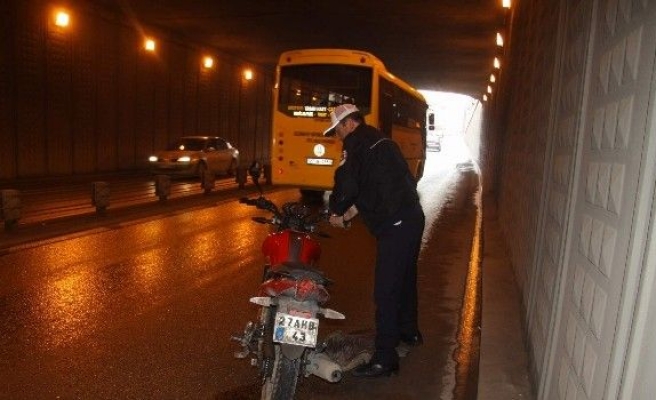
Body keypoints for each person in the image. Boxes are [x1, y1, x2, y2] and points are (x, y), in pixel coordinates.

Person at [324, 104, 425, 378]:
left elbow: (347, 183)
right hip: (412, 217)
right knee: (404, 278)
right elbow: (376, 186)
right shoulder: (381, 141)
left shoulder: (355, 144)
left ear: (347, 124)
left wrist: (335, 211)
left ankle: (385, 358)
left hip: (396, 224)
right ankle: (409, 332)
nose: (336, 137)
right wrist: (352, 212)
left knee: (385, 291)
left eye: (336, 131)